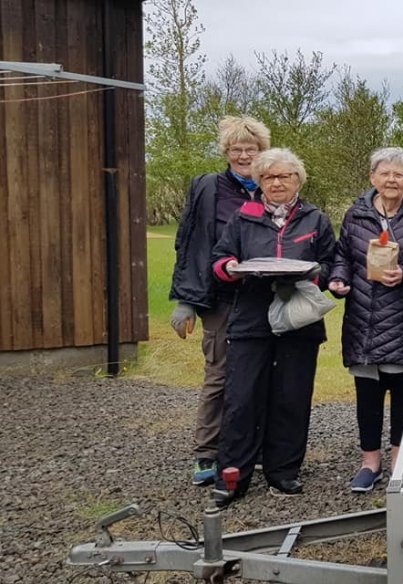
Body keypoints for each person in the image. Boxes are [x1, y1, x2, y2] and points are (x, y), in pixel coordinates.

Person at [208, 148, 336, 507]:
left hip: (298, 321)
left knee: (291, 396)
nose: (277, 183)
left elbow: (331, 262)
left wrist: (321, 274)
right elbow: (219, 260)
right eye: (269, 177)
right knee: (242, 399)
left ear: (298, 180)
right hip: (251, 319)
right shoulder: (243, 218)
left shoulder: (316, 219)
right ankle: (233, 475)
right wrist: (231, 268)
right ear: (259, 181)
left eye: (285, 176)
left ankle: (283, 470)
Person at [328, 147, 403, 493]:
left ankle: (398, 461)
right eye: (385, 173)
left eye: (399, 174)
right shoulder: (356, 214)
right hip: (363, 320)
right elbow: (342, 255)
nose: (392, 179)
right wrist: (338, 279)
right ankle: (369, 463)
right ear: (372, 178)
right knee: (367, 395)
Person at [168, 115, 270, 487]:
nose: (244, 155)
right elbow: (191, 242)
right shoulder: (209, 188)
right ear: (226, 152)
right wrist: (185, 300)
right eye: (237, 149)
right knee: (219, 375)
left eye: (251, 149)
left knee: (259, 375)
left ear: (262, 152)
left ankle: (249, 448)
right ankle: (206, 452)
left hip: (261, 298)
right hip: (222, 299)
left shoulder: (269, 187)